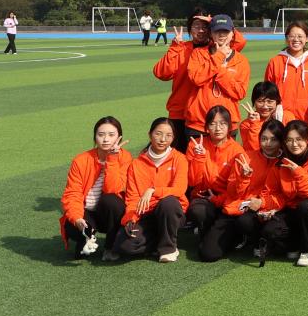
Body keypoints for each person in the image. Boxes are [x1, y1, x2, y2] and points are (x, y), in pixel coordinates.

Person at [153, 10, 247, 150]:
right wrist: (174, 48)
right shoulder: (183, 48)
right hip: (182, 112)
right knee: (184, 155)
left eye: (205, 27)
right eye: (197, 26)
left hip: (205, 114)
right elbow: (161, 73)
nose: (201, 30)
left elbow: (239, 40)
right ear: (190, 29)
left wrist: (215, 20)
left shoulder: (217, 48)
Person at [196, 119, 283, 262]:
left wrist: (263, 203)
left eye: (273, 140)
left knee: (247, 222)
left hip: (265, 211)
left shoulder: (284, 162)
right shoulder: (245, 157)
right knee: (208, 253)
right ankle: (239, 237)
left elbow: (284, 194)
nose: (268, 143)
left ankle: (257, 239)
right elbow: (232, 192)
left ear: (281, 141)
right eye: (264, 138)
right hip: (236, 208)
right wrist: (244, 177)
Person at [259, 120, 308, 267]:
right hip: (292, 210)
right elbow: (271, 192)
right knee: (269, 230)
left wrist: (298, 172)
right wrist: (268, 208)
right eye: (289, 140)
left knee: (306, 206)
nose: (294, 144)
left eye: (299, 139)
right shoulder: (280, 163)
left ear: (307, 139)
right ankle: (294, 243)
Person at [114, 118, 188, 263]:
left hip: (171, 213)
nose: (163, 139)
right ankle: (158, 239)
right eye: (158, 134)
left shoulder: (180, 159)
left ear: (173, 138)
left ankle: (168, 248)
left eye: (168, 135)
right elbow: (132, 198)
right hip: (146, 214)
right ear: (150, 135)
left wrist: (153, 190)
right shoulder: (136, 164)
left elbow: (179, 189)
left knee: (169, 202)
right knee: (124, 246)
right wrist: (131, 218)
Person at [60, 116, 130, 258]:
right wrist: (77, 219)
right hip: (87, 212)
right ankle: (85, 238)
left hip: (109, 214)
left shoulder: (125, 158)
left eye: (111, 135)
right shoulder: (81, 160)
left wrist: (112, 158)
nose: (106, 139)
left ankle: (110, 247)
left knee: (111, 200)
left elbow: (112, 189)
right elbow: (72, 194)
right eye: (101, 134)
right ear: (95, 137)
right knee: (73, 229)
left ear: (119, 137)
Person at [185, 13, 250, 140]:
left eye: (225, 31)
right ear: (211, 33)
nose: (221, 35)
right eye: (217, 31)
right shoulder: (198, 53)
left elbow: (239, 93)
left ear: (232, 33)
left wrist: (221, 72)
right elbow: (196, 79)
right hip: (199, 123)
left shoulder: (241, 60)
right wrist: (219, 57)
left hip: (227, 123)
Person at [185, 105, 243, 243]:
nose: (218, 128)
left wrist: (218, 199)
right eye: (212, 124)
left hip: (226, 198)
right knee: (198, 211)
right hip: (203, 196)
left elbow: (236, 188)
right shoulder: (195, 145)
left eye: (222, 124)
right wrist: (199, 157)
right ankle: (205, 228)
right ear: (206, 127)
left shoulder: (237, 150)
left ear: (229, 127)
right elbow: (192, 182)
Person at [264, 22, 308, 126]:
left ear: (307, 39)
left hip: (307, 119)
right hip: (281, 119)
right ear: (287, 38)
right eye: (292, 36)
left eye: (300, 36)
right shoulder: (275, 62)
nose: (296, 39)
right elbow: (268, 92)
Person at [238, 81, 287, 151]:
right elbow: (254, 148)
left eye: (270, 102)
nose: (265, 106)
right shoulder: (246, 124)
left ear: (277, 102)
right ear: (254, 102)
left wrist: (279, 121)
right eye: (260, 101)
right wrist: (254, 124)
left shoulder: (286, 117)